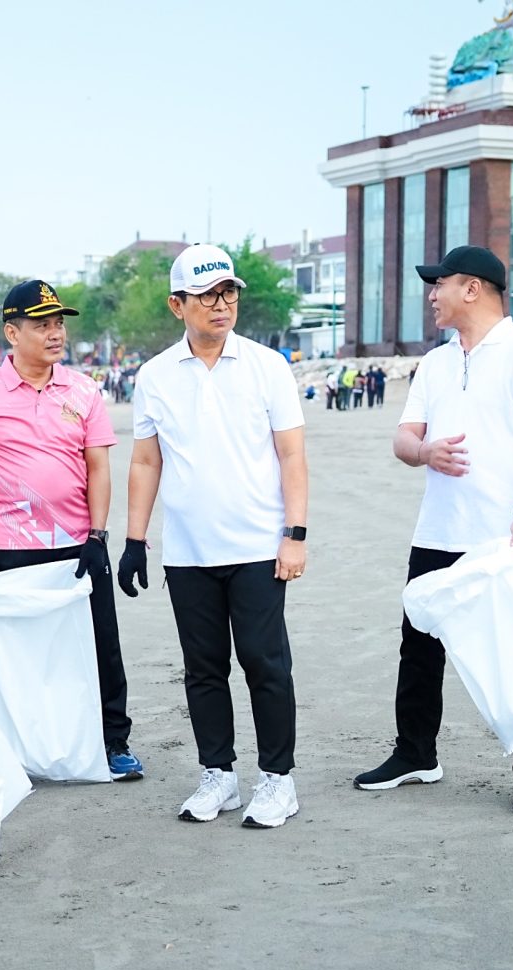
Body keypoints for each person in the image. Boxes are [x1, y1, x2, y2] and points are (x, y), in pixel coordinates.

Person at [352, 244, 513, 816]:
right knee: (418, 646)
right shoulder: (437, 362)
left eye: (439, 284)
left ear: (471, 288)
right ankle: (416, 754)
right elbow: (404, 439)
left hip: (503, 535)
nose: (432, 295)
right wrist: (426, 452)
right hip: (436, 530)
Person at [120, 244, 309, 829]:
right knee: (203, 668)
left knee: (265, 663)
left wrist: (295, 533)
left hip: (257, 545)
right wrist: (133, 539)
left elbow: (291, 454)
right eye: (206, 295)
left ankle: (278, 780)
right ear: (178, 304)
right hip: (188, 552)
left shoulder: (266, 365)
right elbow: (146, 462)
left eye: (228, 293)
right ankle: (219, 774)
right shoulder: (153, 376)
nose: (221, 304)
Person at [0, 279, 142, 781]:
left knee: (101, 644)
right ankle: (18, 747)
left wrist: (98, 536)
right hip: (8, 547)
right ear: (11, 333)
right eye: (42, 324)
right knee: (21, 656)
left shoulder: (83, 390)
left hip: (78, 546)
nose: (55, 332)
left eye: (58, 322)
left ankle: (113, 741)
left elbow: (99, 469)